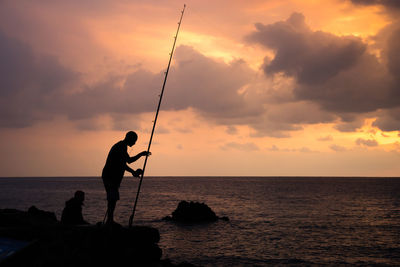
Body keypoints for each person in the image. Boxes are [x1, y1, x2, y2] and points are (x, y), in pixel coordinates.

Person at [102, 131, 150, 225]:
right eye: (134, 140)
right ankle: (110, 221)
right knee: (112, 197)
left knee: (113, 198)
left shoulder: (122, 146)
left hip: (111, 177)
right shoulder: (121, 147)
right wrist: (141, 155)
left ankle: (110, 220)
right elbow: (128, 161)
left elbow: (124, 163)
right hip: (110, 176)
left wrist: (134, 172)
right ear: (129, 138)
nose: (135, 143)